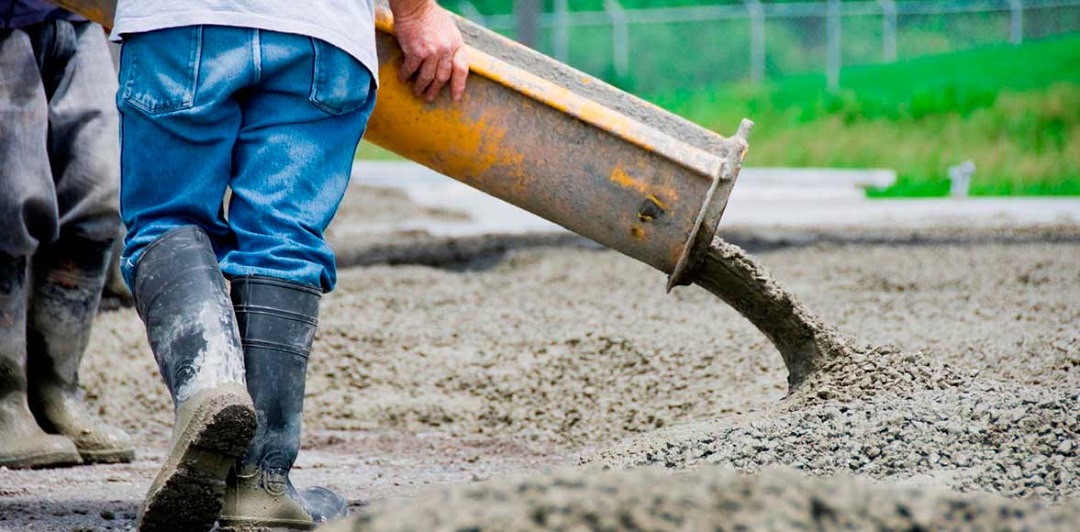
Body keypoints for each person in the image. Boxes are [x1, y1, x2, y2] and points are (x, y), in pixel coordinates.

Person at [107, 0, 468, 529]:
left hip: (177, 22)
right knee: (282, 241)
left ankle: (209, 387)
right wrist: (416, 12)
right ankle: (259, 481)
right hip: (317, 29)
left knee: (167, 221)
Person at [0, 0, 134, 469]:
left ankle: (57, 390)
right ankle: (5, 399)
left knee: (101, 191)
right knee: (10, 196)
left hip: (77, 15)